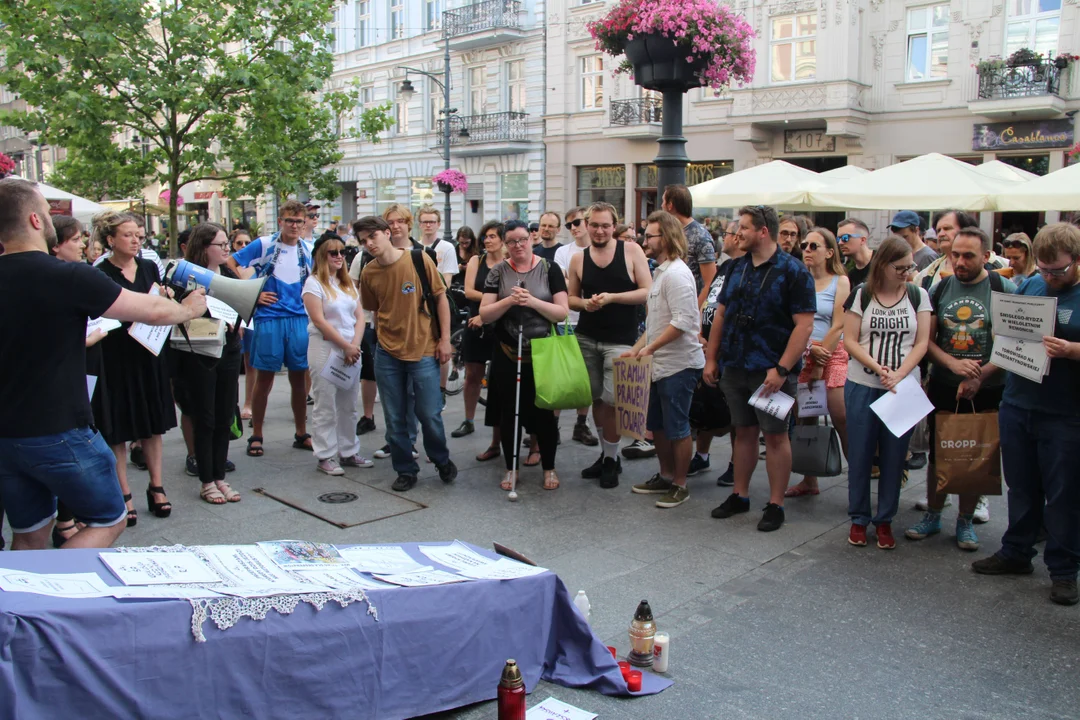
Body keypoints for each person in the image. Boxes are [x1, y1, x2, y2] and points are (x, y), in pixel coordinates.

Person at [0, 179, 207, 550]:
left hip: (7, 434)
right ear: (34, 220)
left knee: (29, 532)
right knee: (109, 519)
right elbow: (148, 308)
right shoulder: (66, 275)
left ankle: (21, 601)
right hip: (59, 428)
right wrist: (189, 309)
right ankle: (49, 588)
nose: (51, 219)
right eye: (47, 213)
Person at [971, 223, 1080, 606]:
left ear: (1077, 261)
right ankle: (1016, 551)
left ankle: (1065, 570)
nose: (1051, 278)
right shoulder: (1032, 286)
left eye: (1059, 271)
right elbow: (1008, 339)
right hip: (1018, 403)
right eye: (1045, 269)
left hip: (1065, 413)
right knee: (1021, 485)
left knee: (1064, 494)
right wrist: (984, 373)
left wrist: (1071, 350)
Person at [703, 205, 816, 532]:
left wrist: (782, 369)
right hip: (735, 365)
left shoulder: (793, 271)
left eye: (744, 228)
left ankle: (776, 503)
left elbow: (804, 326)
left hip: (771, 371)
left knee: (777, 436)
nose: (738, 234)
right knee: (743, 431)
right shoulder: (735, 267)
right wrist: (712, 358)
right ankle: (740, 494)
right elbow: (720, 315)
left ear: (763, 231)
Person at [906, 226, 1014, 551]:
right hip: (945, 386)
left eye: (968, 255)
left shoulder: (1002, 286)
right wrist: (952, 366)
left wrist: (980, 375)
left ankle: (965, 521)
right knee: (940, 455)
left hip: (989, 387)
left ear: (986, 256)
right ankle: (934, 514)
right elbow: (926, 340)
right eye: (955, 254)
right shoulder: (938, 289)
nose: (960, 261)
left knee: (976, 456)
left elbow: (1013, 342)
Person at [93, 211, 183, 525]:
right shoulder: (100, 271)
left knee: (152, 424)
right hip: (116, 355)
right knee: (117, 427)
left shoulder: (148, 266)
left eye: (139, 235)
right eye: (129, 234)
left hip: (149, 351)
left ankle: (156, 486)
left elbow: (158, 300)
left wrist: (166, 296)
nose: (135, 240)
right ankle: (124, 494)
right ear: (110, 240)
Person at [356, 215, 457, 492]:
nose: (369, 244)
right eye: (363, 241)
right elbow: (374, 310)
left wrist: (445, 340)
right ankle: (405, 469)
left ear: (387, 233)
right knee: (395, 416)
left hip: (424, 349)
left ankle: (441, 459)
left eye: (373, 237)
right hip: (387, 353)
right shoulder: (369, 272)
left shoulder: (418, 258)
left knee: (429, 413)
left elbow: (440, 298)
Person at [842, 237, 932, 549]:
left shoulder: (918, 295)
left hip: (902, 387)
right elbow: (850, 340)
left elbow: (922, 341)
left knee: (895, 457)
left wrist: (900, 374)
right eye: (901, 267)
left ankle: (885, 520)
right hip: (863, 384)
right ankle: (858, 518)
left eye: (911, 267)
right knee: (861, 454)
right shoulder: (862, 294)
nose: (907, 272)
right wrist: (880, 369)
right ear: (883, 265)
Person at [567, 202, 652, 489]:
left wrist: (613, 297)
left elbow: (647, 291)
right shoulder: (578, 258)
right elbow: (570, 299)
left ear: (614, 226)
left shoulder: (631, 250)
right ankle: (607, 456)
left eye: (605, 225)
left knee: (613, 401)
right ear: (586, 226)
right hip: (587, 337)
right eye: (594, 225)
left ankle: (611, 459)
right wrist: (586, 305)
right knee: (596, 399)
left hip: (621, 339)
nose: (600, 230)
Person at [480, 220, 569, 492]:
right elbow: (485, 314)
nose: (518, 246)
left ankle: (549, 467)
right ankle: (511, 467)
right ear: (505, 245)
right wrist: (509, 301)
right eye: (512, 242)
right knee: (510, 412)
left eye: (522, 240)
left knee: (543, 412)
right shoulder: (498, 271)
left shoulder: (549, 268)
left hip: (542, 351)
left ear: (531, 239)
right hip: (508, 351)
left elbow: (562, 312)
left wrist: (531, 301)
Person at [628, 211, 705, 508]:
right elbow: (656, 323)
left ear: (667, 238)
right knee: (657, 426)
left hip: (678, 365)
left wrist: (650, 348)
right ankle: (665, 475)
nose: (644, 239)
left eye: (650, 235)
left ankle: (680, 484)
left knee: (677, 427)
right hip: (658, 364)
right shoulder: (661, 271)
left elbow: (684, 321)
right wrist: (637, 349)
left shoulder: (677, 274)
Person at [228, 200, 315, 457]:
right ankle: (257, 434)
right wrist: (252, 294)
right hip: (269, 318)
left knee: (299, 379)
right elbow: (232, 264)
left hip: (300, 318)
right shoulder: (264, 244)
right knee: (263, 378)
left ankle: (301, 432)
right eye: (290, 220)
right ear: (281, 221)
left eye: (299, 221)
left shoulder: (309, 248)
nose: (295, 225)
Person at [172, 223, 244, 504]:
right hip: (199, 353)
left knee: (225, 415)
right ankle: (206, 481)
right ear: (204, 248)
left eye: (227, 244)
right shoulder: (184, 275)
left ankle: (219, 477)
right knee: (206, 417)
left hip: (229, 350)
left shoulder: (226, 272)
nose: (227, 249)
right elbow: (179, 311)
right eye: (222, 245)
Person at [786, 227, 852, 498]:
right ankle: (809, 479)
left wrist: (821, 358)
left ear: (829, 252)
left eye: (814, 246)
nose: (808, 250)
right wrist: (809, 351)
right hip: (804, 353)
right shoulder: (797, 280)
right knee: (805, 419)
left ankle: (857, 476)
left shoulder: (841, 281)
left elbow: (839, 324)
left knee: (841, 415)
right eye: (805, 246)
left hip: (832, 352)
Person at [303, 234, 370, 476]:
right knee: (325, 404)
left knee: (349, 404)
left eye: (343, 252)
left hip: (351, 348)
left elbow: (360, 315)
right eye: (334, 253)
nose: (340, 257)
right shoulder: (314, 284)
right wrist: (346, 345)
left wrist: (354, 344)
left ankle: (349, 450)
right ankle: (325, 455)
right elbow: (319, 321)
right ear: (322, 255)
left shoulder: (347, 283)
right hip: (325, 347)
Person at [686, 219, 742, 483]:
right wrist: (698, 330)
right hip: (706, 346)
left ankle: (736, 462)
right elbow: (708, 298)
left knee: (733, 412)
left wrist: (718, 347)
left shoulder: (745, 269)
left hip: (727, 352)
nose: (722, 239)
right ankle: (703, 455)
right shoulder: (724, 268)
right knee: (704, 405)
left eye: (727, 234)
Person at [453, 221, 505, 460]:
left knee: (498, 379)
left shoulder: (508, 262)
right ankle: (469, 419)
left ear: (502, 239)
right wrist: (493, 299)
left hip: (501, 325)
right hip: (475, 321)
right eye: (485, 236)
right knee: (472, 374)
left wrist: (491, 306)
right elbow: (469, 291)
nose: (487, 240)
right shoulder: (477, 261)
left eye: (492, 236)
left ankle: (498, 432)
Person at [554, 207, 599, 447]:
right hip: (566, 320)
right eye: (568, 224)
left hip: (591, 321)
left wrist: (577, 283)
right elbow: (566, 284)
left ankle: (582, 424)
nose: (573, 227)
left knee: (587, 377)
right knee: (561, 376)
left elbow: (582, 285)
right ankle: (553, 426)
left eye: (577, 222)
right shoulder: (564, 252)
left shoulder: (600, 249)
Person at [661, 184, 716, 305]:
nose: (661, 206)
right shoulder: (671, 232)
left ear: (670, 205)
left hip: (688, 306)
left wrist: (695, 312)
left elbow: (710, 282)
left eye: (663, 201)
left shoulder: (700, 236)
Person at [416, 205, 459, 288]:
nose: (428, 225)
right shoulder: (414, 247)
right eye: (425, 222)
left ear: (438, 224)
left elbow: (447, 279)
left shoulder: (447, 247)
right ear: (420, 225)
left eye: (432, 222)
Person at [838, 217, 874, 288]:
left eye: (845, 238)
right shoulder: (848, 273)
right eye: (838, 239)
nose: (840, 243)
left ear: (862, 240)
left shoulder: (883, 260)